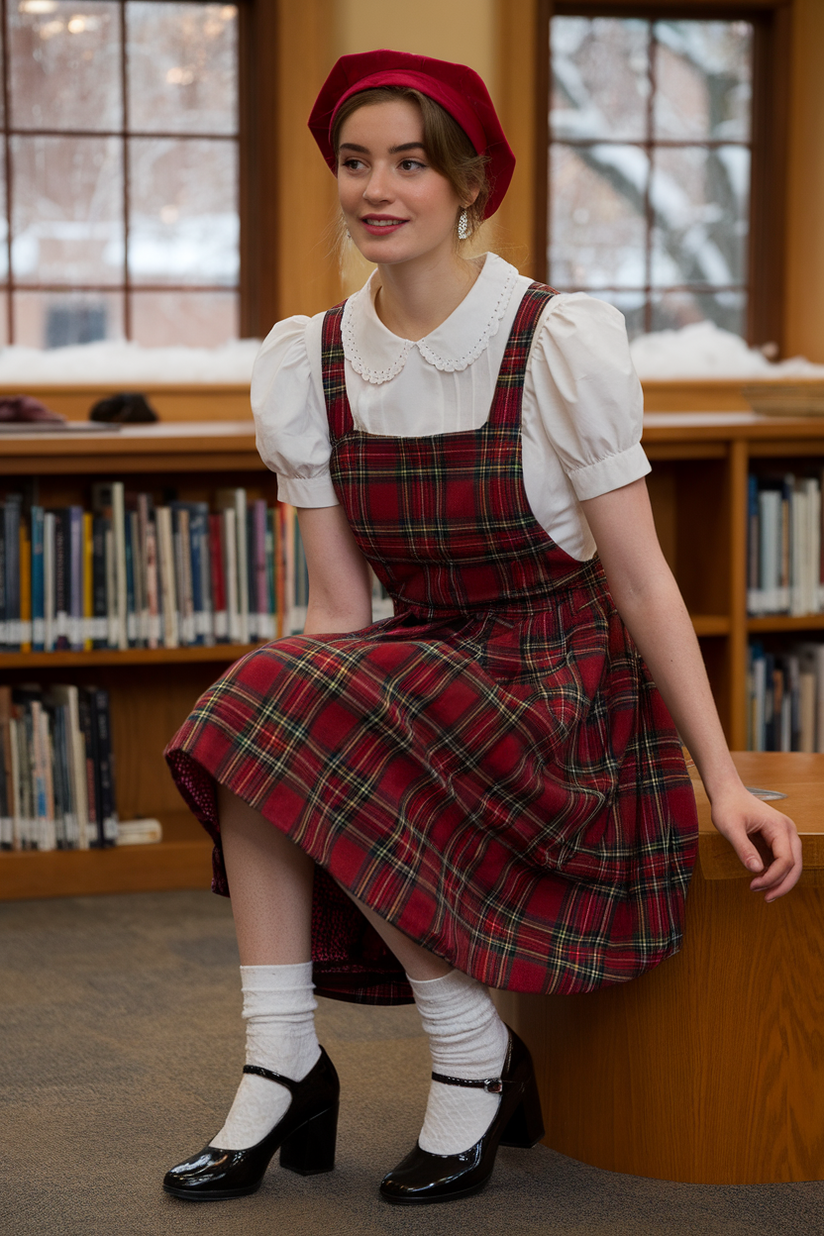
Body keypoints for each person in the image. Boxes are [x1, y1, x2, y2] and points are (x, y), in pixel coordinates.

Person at [162, 49, 802, 1206]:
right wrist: (295, 713)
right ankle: (281, 1058)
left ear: (467, 184)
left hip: (555, 681)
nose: (376, 188)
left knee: (283, 704)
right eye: (355, 162)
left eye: (410, 162)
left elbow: (645, 583)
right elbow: (339, 615)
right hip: (423, 660)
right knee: (260, 707)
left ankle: (469, 1053)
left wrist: (723, 781)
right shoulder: (309, 358)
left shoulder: (553, 340)